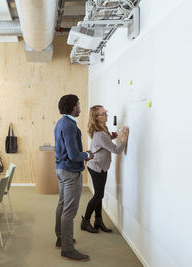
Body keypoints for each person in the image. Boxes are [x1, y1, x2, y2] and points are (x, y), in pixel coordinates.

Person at [54, 94, 93, 262]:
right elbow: (73, 154)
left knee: (62, 205)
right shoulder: (69, 125)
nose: (80, 107)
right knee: (69, 211)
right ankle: (67, 249)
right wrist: (87, 154)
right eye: (78, 104)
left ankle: (61, 238)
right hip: (70, 172)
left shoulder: (61, 122)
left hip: (62, 170)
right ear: (72, 107)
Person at [81, 105, 129, 233]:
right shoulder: (100, 133)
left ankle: (98, 221)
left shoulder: (103, 129)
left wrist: (112, 137)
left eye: (105, 112)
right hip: (96, 167)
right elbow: (117, 150)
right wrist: (124, 137)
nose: (106, 115)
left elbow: (104, 142)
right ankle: (85, 222)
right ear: (96, 118)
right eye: (103, 114)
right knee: (98, 195)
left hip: (101, 166)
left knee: (99, 195)